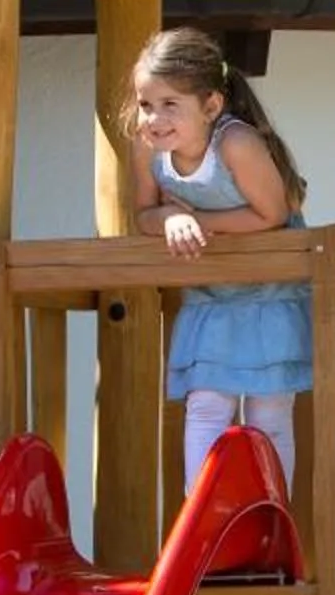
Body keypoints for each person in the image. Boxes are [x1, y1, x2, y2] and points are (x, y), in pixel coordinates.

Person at [124, 27, 313, 489]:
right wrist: (169, 216)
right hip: (212, 296)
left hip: (270, 292)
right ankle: (203, 510)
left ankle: (270, 510)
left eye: (171, 104)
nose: (154, 118)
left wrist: (203, 224)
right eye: (147, 104)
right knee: (206, 403)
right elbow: (143, 214)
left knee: (268, 409)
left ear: (211, 106)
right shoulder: (148, 148)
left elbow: (273, 213)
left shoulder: (235, 143)